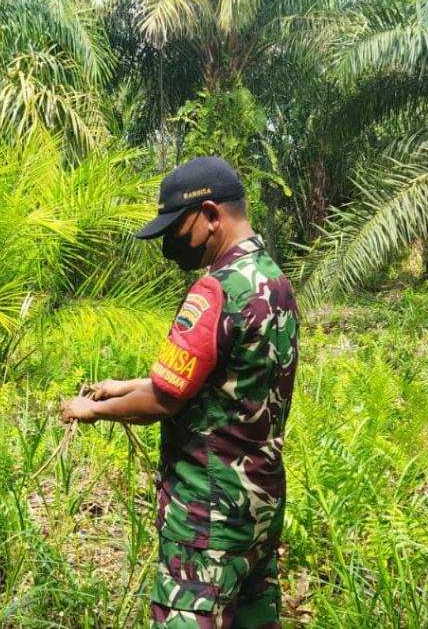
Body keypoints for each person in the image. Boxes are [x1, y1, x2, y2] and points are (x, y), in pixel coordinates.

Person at [61, 156, 300, 629]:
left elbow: (165, 400)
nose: (171, 243)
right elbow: (213, 381)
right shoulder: (272, 280)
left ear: (212, 215)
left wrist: (90, 410)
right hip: (259, 504)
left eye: (177, 229)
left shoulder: (214, 289)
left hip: (207, 514)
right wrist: (121, 386)